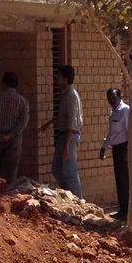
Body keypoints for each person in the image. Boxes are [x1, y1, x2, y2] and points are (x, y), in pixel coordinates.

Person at [39, 64, 84, 198]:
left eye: (58, 76)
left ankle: (78, 202)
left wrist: (66, 145)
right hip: (63, 136)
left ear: (65, 78)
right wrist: (49, 123)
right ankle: (70, 196)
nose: (56, 78)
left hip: (68, 137)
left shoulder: (71, 95)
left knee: (71, 172)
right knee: (56, 169)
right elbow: (63, 116)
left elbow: (71, 121)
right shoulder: (66, 94)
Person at [0, 71, 30, 188]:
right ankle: (9, 194)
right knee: (11, 170)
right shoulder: (22, 101)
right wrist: (10, 135)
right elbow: (23, 122)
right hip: (14, 140)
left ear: (3, 83)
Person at [98, 87, 130, 220]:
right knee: (119, 179)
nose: (111, 100)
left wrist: (128, 150)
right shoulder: (113, 112)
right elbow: (111, 132)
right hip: (116, 148)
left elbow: (130, 131)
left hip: (124, 148)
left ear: (119, 97)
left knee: (124, 180)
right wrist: (104, 147)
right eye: (109, 99)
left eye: (113, 98)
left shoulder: (125, 110)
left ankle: (127, 210)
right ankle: (123, 209)